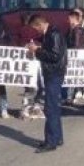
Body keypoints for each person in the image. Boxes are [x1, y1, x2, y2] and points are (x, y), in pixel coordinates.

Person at [26, 15, 68, 153]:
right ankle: (57, 137)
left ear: (39, 25)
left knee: (50, 108)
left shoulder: (53, 34)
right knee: (54, 107)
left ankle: (51, 142)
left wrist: (36, 50)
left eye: (35, 28)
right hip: (52, 73)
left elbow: (55, 55)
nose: (35, 31)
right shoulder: (50, 33)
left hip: (54, 73)